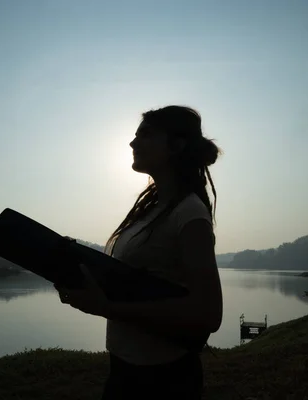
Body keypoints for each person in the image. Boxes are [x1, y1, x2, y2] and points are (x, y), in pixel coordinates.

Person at [55, 105, 223, 399]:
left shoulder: (190, 213)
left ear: (176, 145)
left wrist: (105, 308)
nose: (133, 143)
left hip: (164, 380)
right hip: (124, 369)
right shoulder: (150, 212)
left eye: (145, 135)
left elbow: (208, 315)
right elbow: (133, 279)